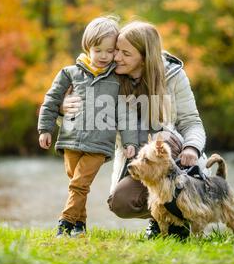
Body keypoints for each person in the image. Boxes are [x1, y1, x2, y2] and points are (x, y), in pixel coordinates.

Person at [62, 20, 209, 239]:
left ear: (144, 57)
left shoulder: (174, 76)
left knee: (161, 139)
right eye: (117, 51)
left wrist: (192, 148)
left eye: (126, 53)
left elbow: (192, 122)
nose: (116, 57)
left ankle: (179, 221)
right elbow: (87, 119)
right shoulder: (108, 76)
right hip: (135, 158)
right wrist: (64, 110)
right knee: (121, 203)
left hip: (175, 159)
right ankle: (160, 219)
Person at [38, 16, 137, 238]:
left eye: (109, 51)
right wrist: (45, 129)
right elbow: (51, 100)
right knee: (77, 182)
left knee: (79, 184)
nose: (103, 56)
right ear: (87, 47)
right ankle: (80, 226)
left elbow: (125, 113)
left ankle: (64, 225)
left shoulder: (118, 79)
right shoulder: (69, 73)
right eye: (97, 49)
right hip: (70, 139)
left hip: (99, 144)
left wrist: (130, 141)